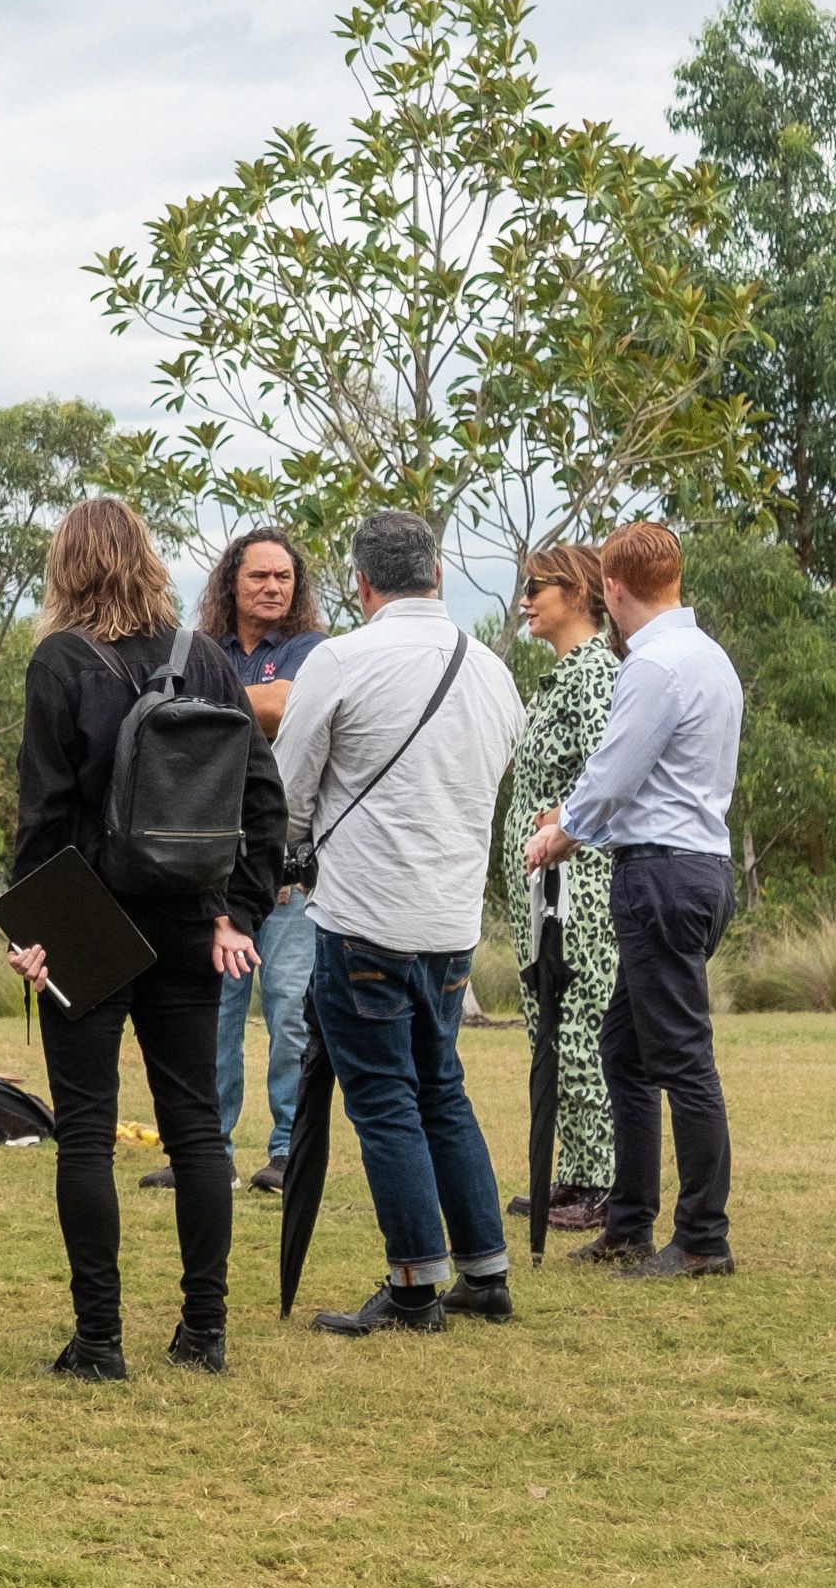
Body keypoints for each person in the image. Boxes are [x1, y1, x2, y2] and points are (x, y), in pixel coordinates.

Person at [8, 496, 280, 1381]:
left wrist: (33, 929)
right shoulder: (202, 656)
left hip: (86, 911)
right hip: (189, 911)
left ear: (67, 567)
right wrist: (237, 910)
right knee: (196, 1128)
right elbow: (263, 799)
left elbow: (43, 816)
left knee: (84, 1133)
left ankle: (98, 1340)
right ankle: (205, 1331)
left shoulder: (61, 660)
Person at [272, 509, 526, 1338]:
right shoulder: (491, 670)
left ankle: (416, 1284)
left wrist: (290, 861)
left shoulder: (342, 659)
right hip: (452, 919)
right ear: (440, 575)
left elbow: (288, 791)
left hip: (365, 912)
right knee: (441, 1089)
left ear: (361, 582)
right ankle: (483, 1271)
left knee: (383, 1099)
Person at [524, 519, 742, 1279]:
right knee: (625, 1045)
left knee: (681, 1057)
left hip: (660, 875)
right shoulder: (709, 658)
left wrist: (560, 834)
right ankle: (627, 1222)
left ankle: (703, 1237)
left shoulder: (652, 668)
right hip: (701, 866)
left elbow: (614, 774)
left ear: (612, 589)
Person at [160, 526, 328, 1199]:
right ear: (231, 581)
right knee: (212, 1018)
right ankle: (208, 1150)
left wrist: (213, 703)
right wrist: (242, 705)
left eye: (283, 578)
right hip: (209, 866)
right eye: (258, 576)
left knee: (289, 1012)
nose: (271, 588)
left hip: (287, 867)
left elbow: (288, 708)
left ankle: (288, 1152)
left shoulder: (314, 651)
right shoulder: (201, 648)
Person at [506, 543, 623, 1229]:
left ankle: (599, 1183)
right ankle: (572, 1171)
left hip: (578, 883)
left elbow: (606, 778)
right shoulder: (559, 677)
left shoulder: (595, 677)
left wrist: (563, 821)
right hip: (542, 884)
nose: (526, 598)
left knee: (579, 1023)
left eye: (537, 586)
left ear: (577, 593)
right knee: (551, 1024)